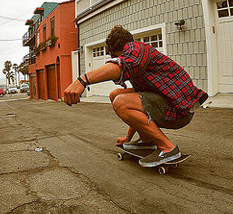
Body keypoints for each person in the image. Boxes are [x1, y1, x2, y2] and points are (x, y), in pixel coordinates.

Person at [64, 25, 208, 167]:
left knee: (120, 102)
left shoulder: (137, 48)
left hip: (178, 108)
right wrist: (128, 138)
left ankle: (168, 148)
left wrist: (82, 81)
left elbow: (125, 65)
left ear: (115, 52)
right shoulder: (141, 62)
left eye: (113, 57)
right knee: (116, 95)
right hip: (171, 103)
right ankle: (146, 139)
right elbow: (137, 109)